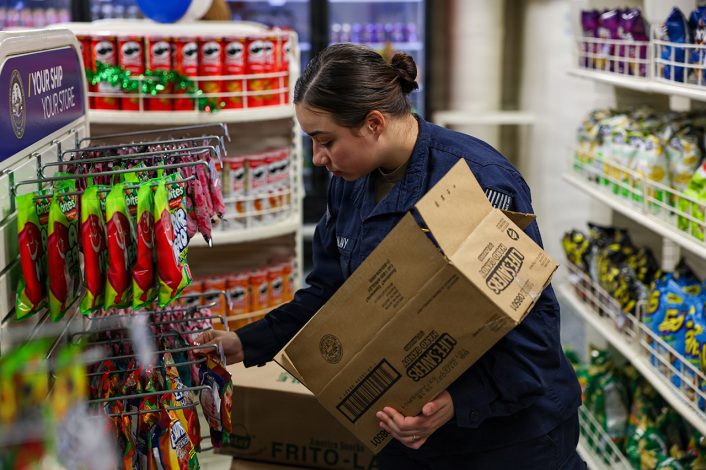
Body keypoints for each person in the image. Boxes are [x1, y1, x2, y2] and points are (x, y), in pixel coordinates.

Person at [195, 43, 584, 470]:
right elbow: (329, 296)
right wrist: (244, 342)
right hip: (407, 435)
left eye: (325, 141)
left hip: (507, 440)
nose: (318, 159)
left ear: (374, 123)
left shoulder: (478, 182)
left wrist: (457, 402)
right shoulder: (349, 183)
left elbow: (532, 335)